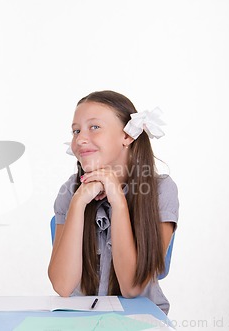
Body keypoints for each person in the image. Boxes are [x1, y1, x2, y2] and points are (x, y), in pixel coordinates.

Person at [48, 90, 179, 314]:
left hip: (139, 320)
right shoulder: (70, 191)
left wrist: (118, 200)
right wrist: (79, 202)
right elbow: (62, 285)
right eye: (76, 130)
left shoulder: (160, 190)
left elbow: (132, 287)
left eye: (94, 127)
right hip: (82, 320)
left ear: (127, 136)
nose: (80, 139)